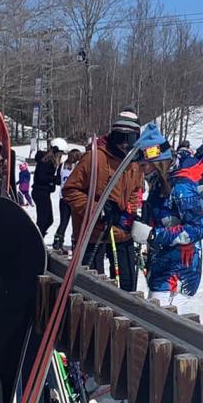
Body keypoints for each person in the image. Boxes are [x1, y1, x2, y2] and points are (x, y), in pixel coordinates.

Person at [64, 108, 145, 291]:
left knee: (127, 283)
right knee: (94, 287)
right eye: (120, 138)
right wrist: (95, 209)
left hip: (120, 230)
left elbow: (134, 191)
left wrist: (131, 214)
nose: (125, 144)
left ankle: (125, 312)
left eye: (130, 139)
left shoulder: (133, 161)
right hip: (94, 232)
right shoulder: (95, 158)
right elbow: (70, 190)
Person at [134, 147, 203, 307]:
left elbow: (197, 228)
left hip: (179, 270)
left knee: (159, 322)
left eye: (143, 165)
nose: (139, 169)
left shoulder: (181, 188)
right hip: (160, 265)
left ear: (156, 163)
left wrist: (153, 235)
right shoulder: (158, 186)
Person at [50, 149, 81, 252]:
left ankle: (57, 242)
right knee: (75, 222)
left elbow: (58, 181)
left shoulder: (62, 165)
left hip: (63, 197)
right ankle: (75, 244)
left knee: (63, 221)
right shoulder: (77, 167)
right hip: (73, 198)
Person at [31, 146, 62, 237]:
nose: (60, 158)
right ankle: (36, 240)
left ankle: (39, 238)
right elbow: (41, 177)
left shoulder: (48, 161)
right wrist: (54, 179)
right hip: (40, 192)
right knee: (44, 219)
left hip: (43, 192)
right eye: (60, 155)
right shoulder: (46, 161)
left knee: (48, 219)